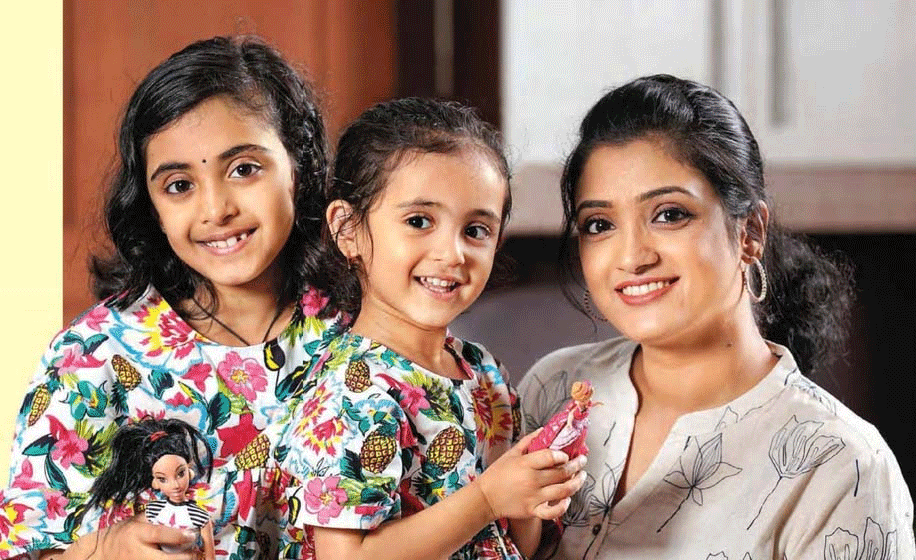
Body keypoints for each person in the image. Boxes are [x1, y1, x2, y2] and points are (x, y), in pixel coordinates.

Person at [519, 75, 915, 559]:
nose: (632, 257)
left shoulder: (843, 467)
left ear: (750, 232)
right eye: (599, 224)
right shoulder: (553, 388)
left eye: (669, 214)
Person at [0, 36, 348, 560]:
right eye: (180, 185)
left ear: (298, 167)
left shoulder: (362, 329)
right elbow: (24, 546)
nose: (216, 210)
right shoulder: (93, 354)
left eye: (244, 169)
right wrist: (105, 552)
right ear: (152, 207)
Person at [273, 98, 587, 560]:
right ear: (347, 229)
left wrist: (530, 495)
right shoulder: (349, 392)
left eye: (476, 230)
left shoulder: (485, 373)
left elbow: (514, 544)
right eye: (419, 221)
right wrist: (487, 499)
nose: (452, 253)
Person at [86, 418, 215, 560]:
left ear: (190, 472)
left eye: (180, 473)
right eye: (163, 479)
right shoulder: (153, 510)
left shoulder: (200, 516)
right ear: (155, 483)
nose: (175, 485)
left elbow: (210, 552)